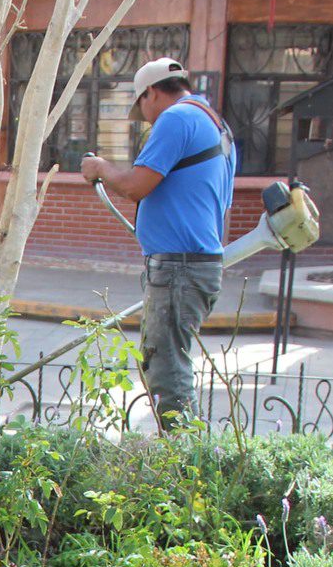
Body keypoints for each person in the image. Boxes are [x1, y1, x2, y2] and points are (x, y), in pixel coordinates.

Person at [79, 57, 235, 427]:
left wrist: (101, 169)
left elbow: (136, 185)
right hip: (196, 264)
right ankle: (182, 455)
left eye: (143, 107)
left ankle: (180, 462)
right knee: (170, 361)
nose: (146, 118)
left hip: (180, 266)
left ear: (151, 92)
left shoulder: (177, 119)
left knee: (166, 369)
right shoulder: (215, 123)